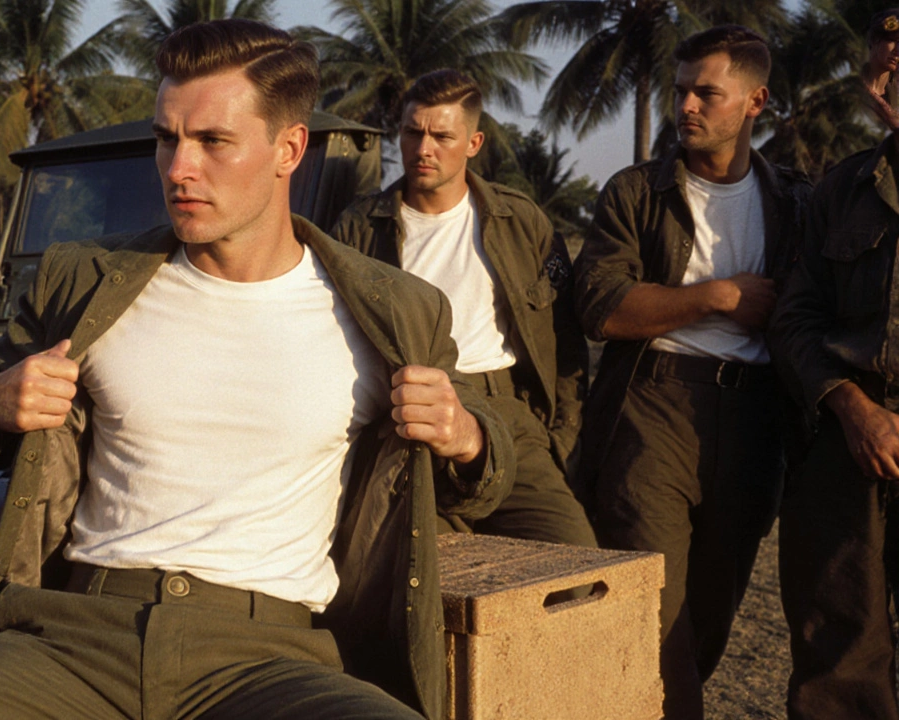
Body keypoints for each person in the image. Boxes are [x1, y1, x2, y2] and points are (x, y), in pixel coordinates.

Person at [0, 19, 511, 720]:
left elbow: (484, 475)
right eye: (166, 138)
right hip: (70, 643)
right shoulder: (87, 282)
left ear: (288, 149)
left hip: (274, 663)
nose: (179, 168)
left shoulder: (395, 312)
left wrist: (466, 436)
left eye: (213, 142)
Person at [573, 26, 811, 720]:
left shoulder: (796, 201)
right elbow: (599, 304)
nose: (687, 106)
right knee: (655, 605)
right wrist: (718, 296)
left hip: (755, 419)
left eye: (707, 91)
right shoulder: (636, 192)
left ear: (755, 100)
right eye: (680, 90)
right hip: (654, 408)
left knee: (712, 609)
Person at [332, 69, 595, 553]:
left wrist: (560, 438)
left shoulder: (520, 221)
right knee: (436, 581)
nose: (423, 148)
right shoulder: (360, 228)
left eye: (441, 136)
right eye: (413, 132)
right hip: (414, 419)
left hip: (509, 412)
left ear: (473, 142)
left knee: (575, 562)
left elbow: (564, 336)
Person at [770, 46, 899, 720]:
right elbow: (795, 317)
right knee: (839, 667)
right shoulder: (840, 191)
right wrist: (850, 407)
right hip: (849, 447)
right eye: (889, 71)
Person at [862, 9, 899, 131]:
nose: (897, 51)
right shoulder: (851, 89)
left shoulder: (896, 93)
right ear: (874, 39)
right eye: (893, 41)